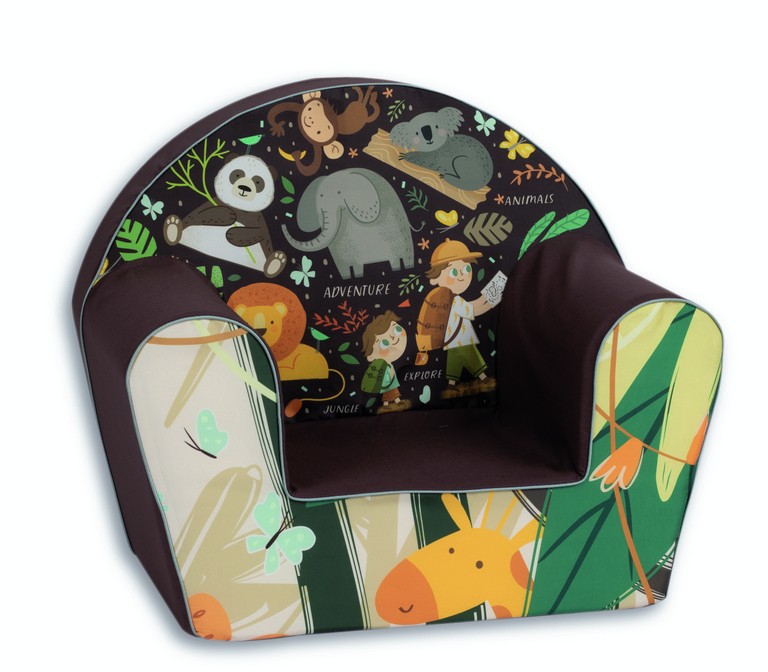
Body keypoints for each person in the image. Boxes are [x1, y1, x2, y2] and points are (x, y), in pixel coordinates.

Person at [361, 311, 412, 414]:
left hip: (391, 381)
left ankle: (394, 403)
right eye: (384, 343)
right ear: (371, 356)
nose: (393, 338)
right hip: (386, 382)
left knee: (392, 391)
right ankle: (389, 404)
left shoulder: (389, 365)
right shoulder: (381, 367)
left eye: (397, 330)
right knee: (389, 392)